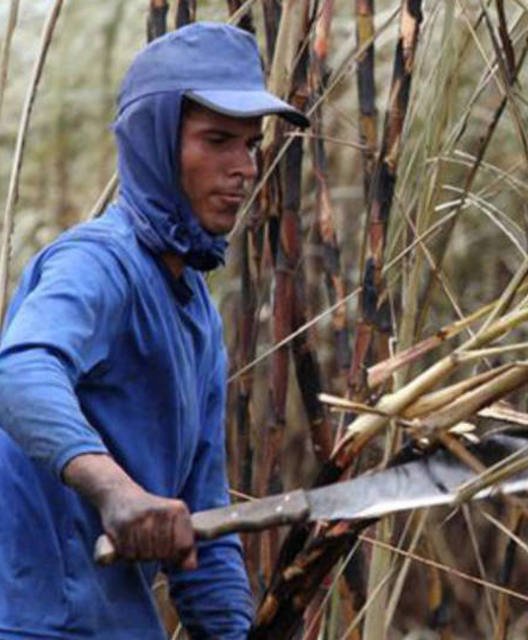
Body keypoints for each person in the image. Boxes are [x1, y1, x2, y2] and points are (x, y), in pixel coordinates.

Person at [0, 23, 308, 639]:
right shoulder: (97, 263)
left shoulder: (196, 313)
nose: (243, 168)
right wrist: (113, 490)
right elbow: (20, 370)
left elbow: (202, 516)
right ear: (155, 144)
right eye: (217, 140)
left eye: (250, 145)